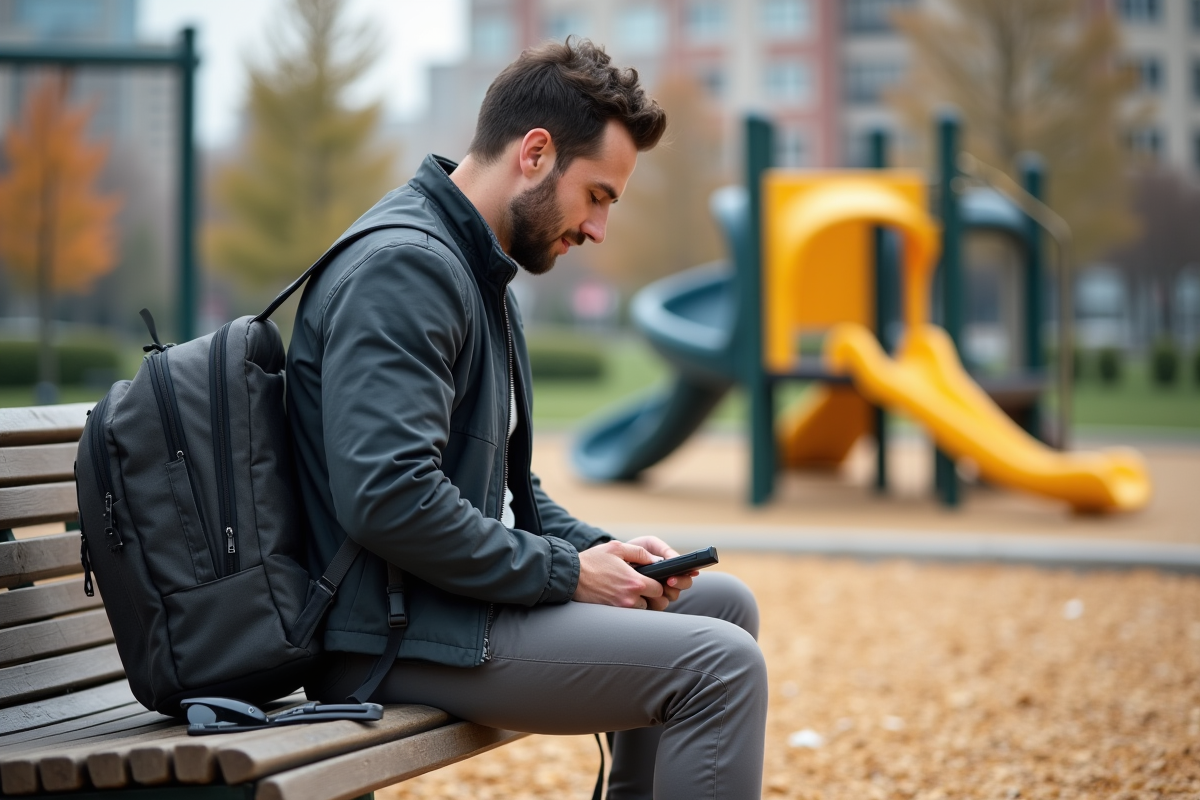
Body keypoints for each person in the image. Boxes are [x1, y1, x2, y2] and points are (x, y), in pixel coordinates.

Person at [287, 38, 767, 800]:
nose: (600, 229)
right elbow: (388, 497)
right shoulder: (405, 268)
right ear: (536, 153)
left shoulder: (476, 268)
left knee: (722, 605)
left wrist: (599, 549)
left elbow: (504, 483)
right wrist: (570, 574)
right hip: (384, 632)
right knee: (719, 664)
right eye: (599, 196)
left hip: (436, 602)